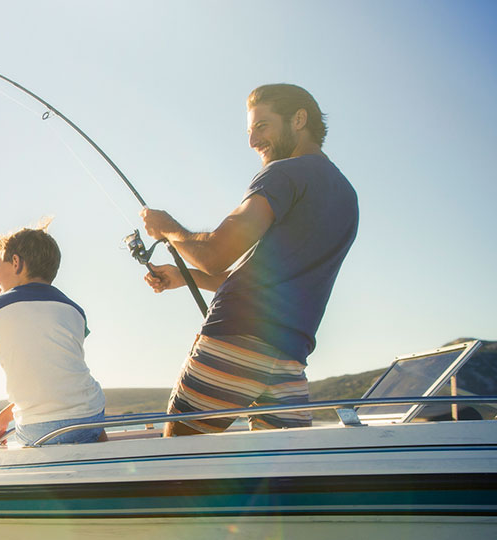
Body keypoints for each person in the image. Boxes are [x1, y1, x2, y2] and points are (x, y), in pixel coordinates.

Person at [141, 83, 359, 436]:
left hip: (235, 340)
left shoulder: (284, 174)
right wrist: (184, 277)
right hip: (289, 359)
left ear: (299, 119)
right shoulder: (347, 197)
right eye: (249, 130)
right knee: (279, 479)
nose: (252, 142)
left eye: (262, 126)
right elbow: (273, 278)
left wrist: (167, 228)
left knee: (180, 464)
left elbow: (214, 254)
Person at [0, 222, 106, 449]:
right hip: (91, 419)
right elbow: (59, 377)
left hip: (38, 429)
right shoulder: (75, 310)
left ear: (16, 263)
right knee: (90, 418)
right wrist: (6, 415)